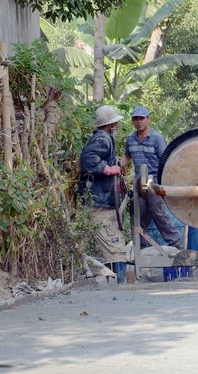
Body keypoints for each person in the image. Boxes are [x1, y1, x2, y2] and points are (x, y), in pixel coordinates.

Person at [120, 106, 183, 249]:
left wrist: (166, 183)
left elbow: (165, 161)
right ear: (132, 121)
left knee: (158, 213)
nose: (138, 122)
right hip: (138, 181)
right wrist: (116, 165)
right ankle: (142, 247)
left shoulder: (157, 138)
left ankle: (176, 243)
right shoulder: (130, 139)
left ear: (148, 119)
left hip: (153, 181)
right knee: (139, 215)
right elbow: (127, 156)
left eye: (141, 118)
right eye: (135, 119)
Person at [78, 105, 127, 283]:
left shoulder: (102, 138)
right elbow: (88, 159)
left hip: (98, 200)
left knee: (110, 244)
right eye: (116, 123)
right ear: (110, 125)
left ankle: (113, 280)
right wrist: (108, 169)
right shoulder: (103, 139)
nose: (117, 126)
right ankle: (120, 284)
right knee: (115, 245)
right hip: (100, 202)